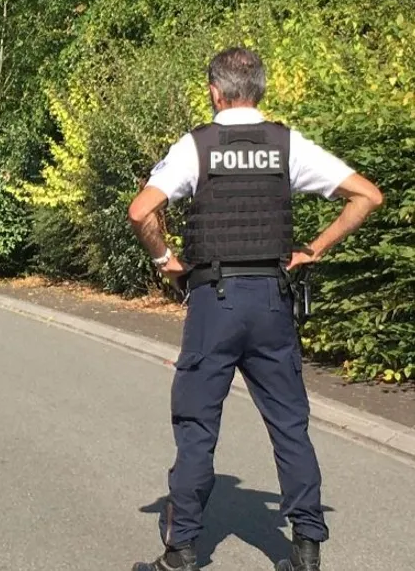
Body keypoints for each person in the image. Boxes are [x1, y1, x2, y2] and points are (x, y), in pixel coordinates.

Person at [126, 47, 383, 571]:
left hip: (212, 303)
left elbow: (141, 210)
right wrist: (313, 249)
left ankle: (181, 554)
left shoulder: (195, 147)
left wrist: (164, 258)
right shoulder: (287, 145)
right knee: (290, 423)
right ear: (259, 90)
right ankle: (306, 548)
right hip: (271, 301)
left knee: (197, 425)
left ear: (214, 93)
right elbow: (367, 196)